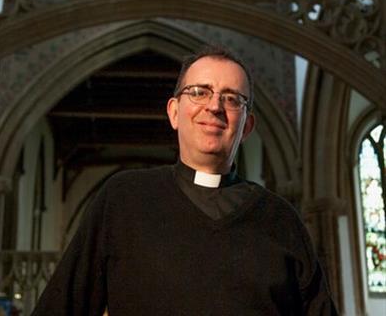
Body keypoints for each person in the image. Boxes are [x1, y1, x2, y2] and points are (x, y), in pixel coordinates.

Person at [32, 45, 338, 315]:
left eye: (232, 99)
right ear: (174, 112)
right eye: (199, 92)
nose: (215, 106)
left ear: (247, 127)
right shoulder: (123, 199)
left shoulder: (282, 219)